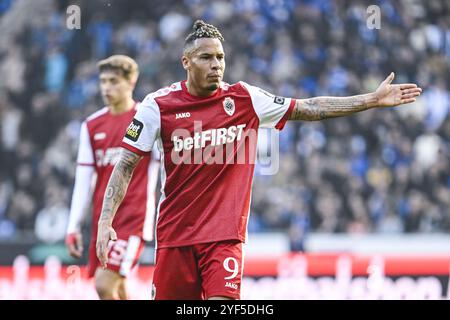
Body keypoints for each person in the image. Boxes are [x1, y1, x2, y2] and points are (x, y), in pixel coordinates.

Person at [96, 21, 422, 300]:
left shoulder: (244, 98)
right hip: (175, 237)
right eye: (206, 57)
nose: (216, 64)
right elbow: (125, 165)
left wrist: (370, 100)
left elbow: (309, 108)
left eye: (220, 57)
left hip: (224, 237)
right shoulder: (158, 106)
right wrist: (104, 222)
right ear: (186, 62)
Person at [66, 55, 159, 300]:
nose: (106, 87)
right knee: (119, 289)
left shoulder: (148, 118)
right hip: (103, 222)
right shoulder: (92, 125)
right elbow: (83, 180)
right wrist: (73, 225)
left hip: (134, 219)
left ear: (131, 81)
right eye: (103, 81)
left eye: (114, 81)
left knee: (104, 284)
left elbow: (166, 168)